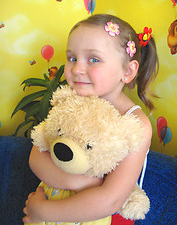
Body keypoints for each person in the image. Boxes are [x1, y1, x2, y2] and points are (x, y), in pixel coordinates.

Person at [23, 14, 159, 224]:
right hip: (52, 207)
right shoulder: (71, 100)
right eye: (72, 58)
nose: (76, 69)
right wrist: (79, 182)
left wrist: (44, 211)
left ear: (128, 71)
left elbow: (111, 199)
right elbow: (36, 156)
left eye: (93, 59)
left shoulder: (136, 123)